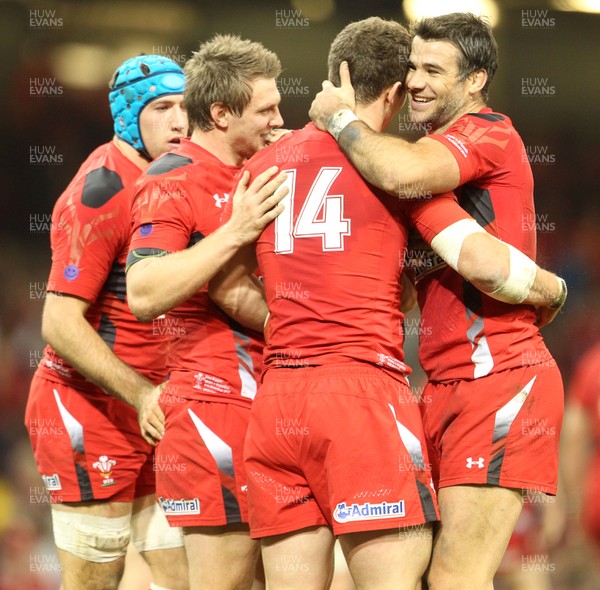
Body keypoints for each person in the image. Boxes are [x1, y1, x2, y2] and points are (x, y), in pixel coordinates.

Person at [204, 16, 567, 590]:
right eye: (414, 71)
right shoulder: (396, 177)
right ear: (393, 89)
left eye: (434, 70)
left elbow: (221, 283)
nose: (419, 83)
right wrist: (553, 288)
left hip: (311, 396)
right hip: (378, 391)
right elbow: (478, 260)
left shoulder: (265, 168)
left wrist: (293, 321)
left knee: (448, 580)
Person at [125, 35, 286, 590]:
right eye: (266, 109)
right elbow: (143, 291)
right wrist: (237, 232)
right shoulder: (171, 178)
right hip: (213, 413)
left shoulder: (264, 168)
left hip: (277, 404)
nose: (277, 119)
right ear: (220, 113)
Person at [24, 55, 189, 590]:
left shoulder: (173, 179)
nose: (180, 122)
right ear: (127, 117)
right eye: (162, 108)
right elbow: (59, 321)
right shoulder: (100, 193)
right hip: (88, 412)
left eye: (186, 107)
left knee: (189, 576)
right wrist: (141, 393)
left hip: (155, 413)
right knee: (99, 580)